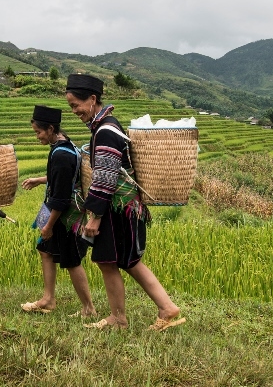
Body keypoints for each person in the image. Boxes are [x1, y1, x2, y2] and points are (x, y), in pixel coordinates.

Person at [64, 74, 185, 331]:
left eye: (76, 105)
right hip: (121, 206)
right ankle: (160, 308)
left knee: (116, 260)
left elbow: (105, 178)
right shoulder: (104, 127)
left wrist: (94, 217)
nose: (74, 111)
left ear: (93, 99)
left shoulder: (106, 131)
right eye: (71, 107)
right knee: (117, 260)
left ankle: (123, 318)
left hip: (117, 207)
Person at [19, 105, 96, 317]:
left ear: (51, 129)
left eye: (39, 132)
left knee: (71, 260)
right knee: (45, 250)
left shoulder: (62, 155)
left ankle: (89, 308)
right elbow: (65, 178)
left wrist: (48, 226)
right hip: (62, 211)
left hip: (65, 216)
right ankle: (48, 299)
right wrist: (40, 180)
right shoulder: (65, 145)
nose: (37, 137)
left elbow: (61, 198)